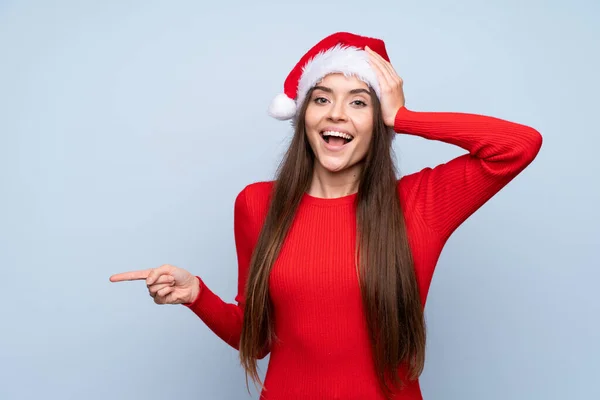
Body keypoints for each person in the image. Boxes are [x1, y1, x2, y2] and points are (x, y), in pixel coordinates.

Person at [109, 32, 542, 399]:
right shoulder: (257, 204)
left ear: (378, 122)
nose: (337, 113)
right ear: (303, 115)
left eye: (359, 102)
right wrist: (196, 295)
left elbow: (518, 145)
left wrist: (404, 116)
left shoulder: (419, 203)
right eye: (322, 98)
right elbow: (257, 340)